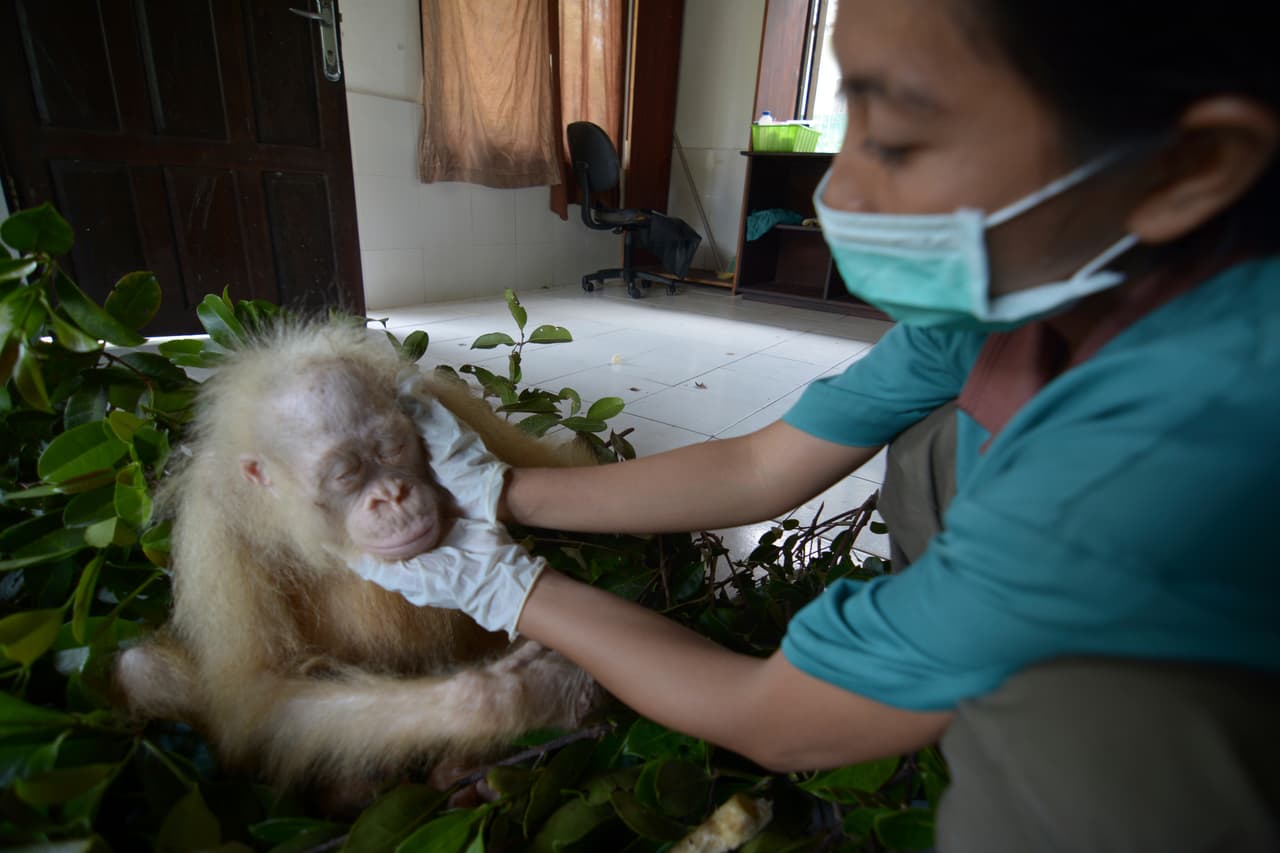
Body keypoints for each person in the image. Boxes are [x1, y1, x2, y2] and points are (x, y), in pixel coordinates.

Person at [349, 1, 1280, 848]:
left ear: (1187, 167)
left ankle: (976, 712)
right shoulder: (1022, 297)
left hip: (1151, 634)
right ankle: (948, 668)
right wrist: (502, 490)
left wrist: (508, 588)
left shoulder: (1168, 438)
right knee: (939, 440)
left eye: (902, 138)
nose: (846, 190)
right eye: (851, 119)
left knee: (1087, 739)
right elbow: (763, 464)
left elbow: (776, 717)